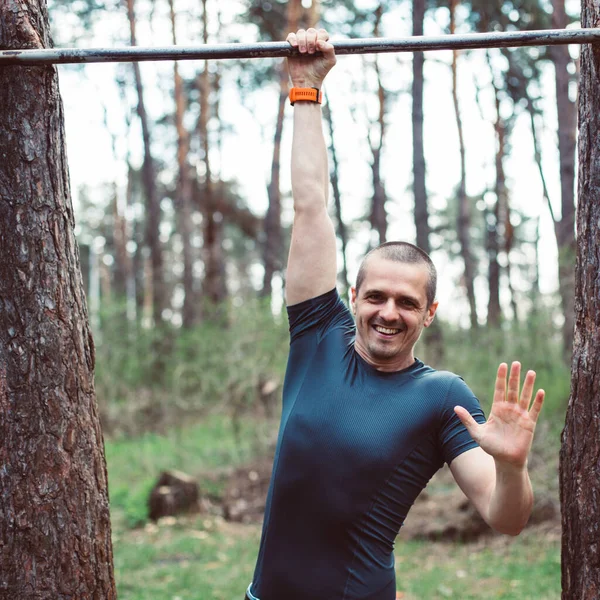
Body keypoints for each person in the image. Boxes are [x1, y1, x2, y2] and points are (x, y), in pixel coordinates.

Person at [245, 27, 545, 600]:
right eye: (376, 296)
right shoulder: (316, 334)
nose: (389, 312)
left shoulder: (441, 396)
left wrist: (511, 466)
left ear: (429, 313)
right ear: (352, 296)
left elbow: (505, 517)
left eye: (408, 302)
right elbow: (310, 207)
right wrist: (305, 89)